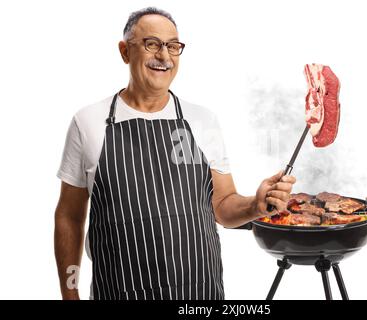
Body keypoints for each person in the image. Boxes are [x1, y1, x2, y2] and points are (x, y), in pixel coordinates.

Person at [54, 7, 296, 300]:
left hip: (199, 295)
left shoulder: (203, 121)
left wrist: (256, 206)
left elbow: (222, 205)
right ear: (125, 51)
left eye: (173, 46)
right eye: (152, 44)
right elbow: (69, 215)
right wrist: (70, 293)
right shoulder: (88, 122)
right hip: (118, 291)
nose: (164, 57)